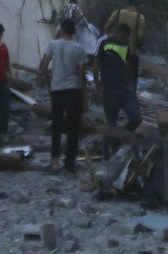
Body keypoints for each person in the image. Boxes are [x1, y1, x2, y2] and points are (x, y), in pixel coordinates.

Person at [45, 17, 88, 174]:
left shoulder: (52, 45)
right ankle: (70, 163)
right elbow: (82, 74)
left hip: (57, 90)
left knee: (56, 126)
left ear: (62, 29)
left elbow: (43, 66)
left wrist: (49, 83)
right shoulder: (79, 48)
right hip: (73, 91)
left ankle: (55, 161)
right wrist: (85, 96)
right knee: (73, 128)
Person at [103, 0, 148, 128]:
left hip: (114, 51)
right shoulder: (140, 17)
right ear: (137, 5)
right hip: (131, 53)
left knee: (112, 81)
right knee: (131, 82)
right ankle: (129, 109)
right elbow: (139, 36)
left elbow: (107, 27)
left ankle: (112, 115)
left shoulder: (116, 13)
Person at [96, 18, 138, 156]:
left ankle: (119, 141)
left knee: (136, 118)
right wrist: (99, 90)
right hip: (110, 89)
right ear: (120, 34)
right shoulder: (103, 42)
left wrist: (132, 87)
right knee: (111, 122)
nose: (125, 41)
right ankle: (108, 154)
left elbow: (129, 66)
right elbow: (95, 67)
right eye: (125, 38)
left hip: (126, 88)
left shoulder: (126, 46)